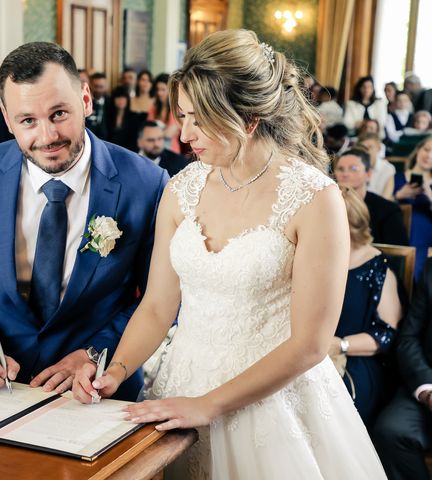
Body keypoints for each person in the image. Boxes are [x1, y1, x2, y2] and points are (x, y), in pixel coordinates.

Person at [73, 29, 386, 479]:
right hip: (181, 385)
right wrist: (116, 370)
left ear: (249, 116)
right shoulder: (182, 188)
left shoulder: (315, 198)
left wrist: (208, 405)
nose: (183, 135)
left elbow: (311, 344)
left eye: (198, 120)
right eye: (181, 116)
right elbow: (159, 305)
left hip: (273, 403)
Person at [0, 42, 168, 401]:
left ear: (85, 100)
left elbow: (160, 298)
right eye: (28, 120)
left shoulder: (146, 184)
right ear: (8, 120)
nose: (47, 137)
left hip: (94, 389)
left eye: (59, 113)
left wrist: (96, 352)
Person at [331, 186, 402, 425]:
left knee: (334, 411)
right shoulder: (309, 258)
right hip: (309, 358)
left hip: (356, 361)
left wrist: (340, 345)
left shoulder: (377, 267)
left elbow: (386, 333)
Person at [373, 257, 432, 480]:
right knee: (390, 430)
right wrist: (427, 389)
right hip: (426, 379)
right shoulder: (431, 268)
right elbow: (408, 337)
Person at [334, 147, 407, 246]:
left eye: (353, 169)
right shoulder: (329, 206)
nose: (345, 174)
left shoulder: (388, 210)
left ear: (368, 174)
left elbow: (397, 253)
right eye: (340, 169)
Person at [393, 136, 432, 280]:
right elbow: (380, 209)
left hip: (425, 239)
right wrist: (398, 195)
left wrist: (429, 195)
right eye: (426, 149)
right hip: (398, 233)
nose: (428, 155)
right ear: (418, 150)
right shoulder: (396, 177)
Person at [147, 73, 181, 154]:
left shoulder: (176, 108)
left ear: (170, 91)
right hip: (154, 150)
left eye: (163, 90)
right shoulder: (153, 108)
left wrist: (155, 134)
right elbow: (148, 130)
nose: (159, 93)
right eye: (158, 89)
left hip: (171, 151)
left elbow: (169, 133)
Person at [358, 133, 393, 198]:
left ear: (379, 148)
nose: (366, 151)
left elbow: (386, 197)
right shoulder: (354, 167)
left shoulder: (388, 168)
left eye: (370, 147)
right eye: (363, 147)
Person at [106, 86, 140, 151]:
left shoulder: (134, 116)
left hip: (129, 151)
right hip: (110, 150)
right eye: (118, 97)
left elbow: (134, 139)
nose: (121, 100)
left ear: (127, 99)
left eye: (124, 97)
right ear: (113, 99)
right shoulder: (108, 115)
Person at [84, 72, 109, 140]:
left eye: (101, 87)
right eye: (96, 86)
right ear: (90, 85)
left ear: (106, 86)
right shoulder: (85, 103)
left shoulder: (111, 102)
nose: (98, 90)